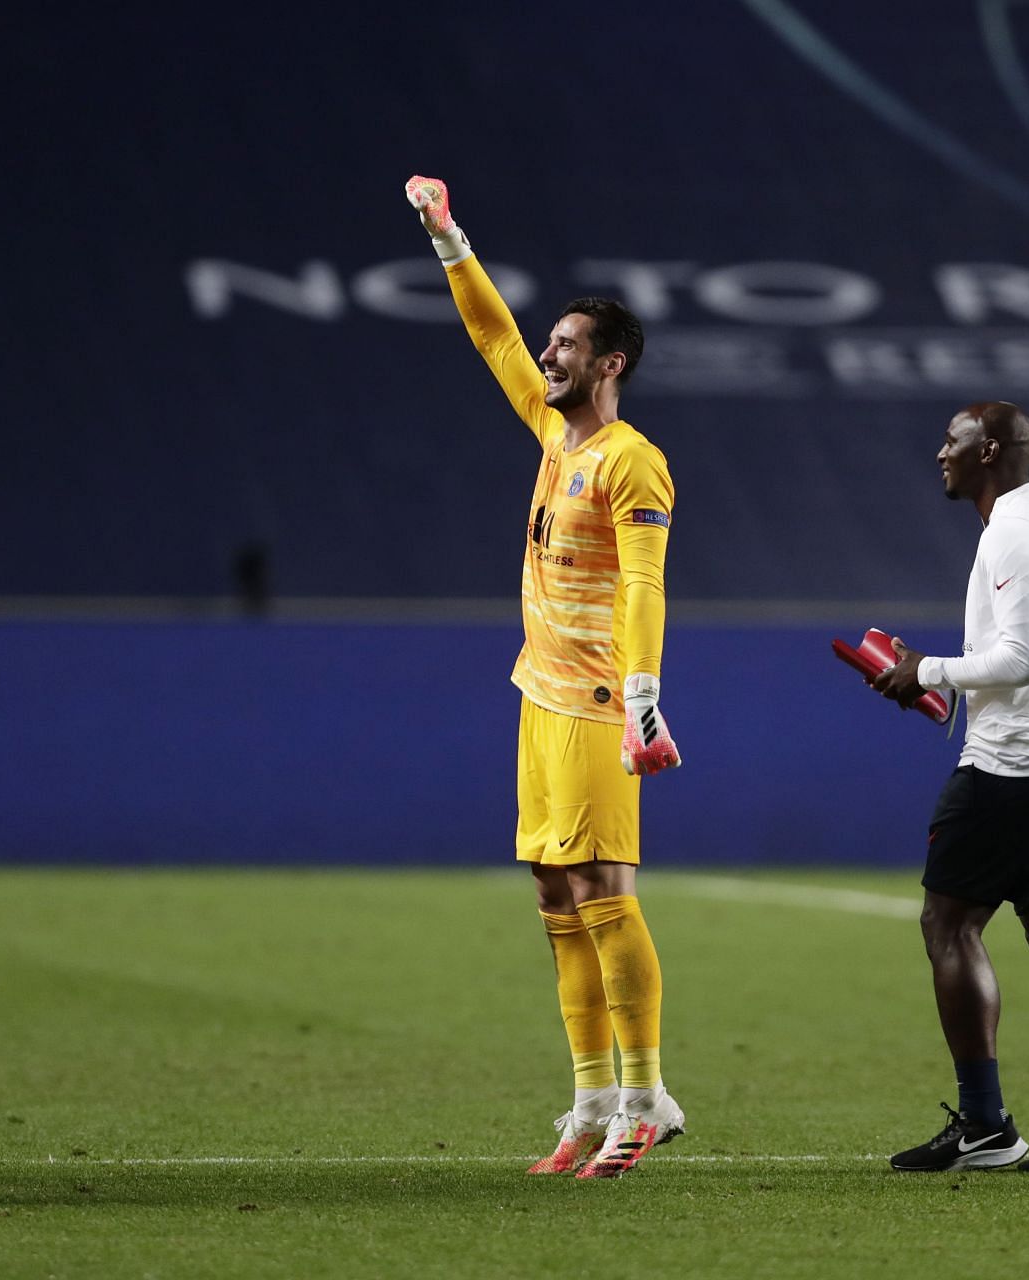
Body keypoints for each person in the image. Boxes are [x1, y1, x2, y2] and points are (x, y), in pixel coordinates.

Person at [405, 176, 685, 1179]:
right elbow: (490, 337)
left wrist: (645, 698)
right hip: (539, 691)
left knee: (606, 889)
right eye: (549, 345)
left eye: (563, 345)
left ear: (607, 363)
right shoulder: (549, 429)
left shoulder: (630, 459)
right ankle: (590, 1100)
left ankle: (647, 1095)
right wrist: (448, 237)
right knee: (556, 895)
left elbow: (646, 585)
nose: (545, 354)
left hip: (600, 703)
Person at [874, 402, 1029, 1174]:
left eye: (950, 440)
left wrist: (931, 670)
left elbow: (1020, 659)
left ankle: (986, 1126)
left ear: (987, 450)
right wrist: (946, 685)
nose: (939, 451)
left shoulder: (1013, 534)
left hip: (1019, 769)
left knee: (948, 924)